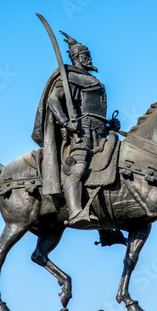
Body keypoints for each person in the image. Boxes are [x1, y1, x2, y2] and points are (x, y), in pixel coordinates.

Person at [32, 31, 120, 227]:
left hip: (99, 134)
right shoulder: (70, 78)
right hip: (80, 135)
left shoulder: (93, 81)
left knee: (114, 167)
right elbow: (53, 100)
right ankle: (75, 212)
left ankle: (107, 225)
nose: (89, 59)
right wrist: (65, 122)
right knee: (79, 167)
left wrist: (110, 125)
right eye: (85, 56)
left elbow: (93, 111)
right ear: (77, 58)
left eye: (89, 55)